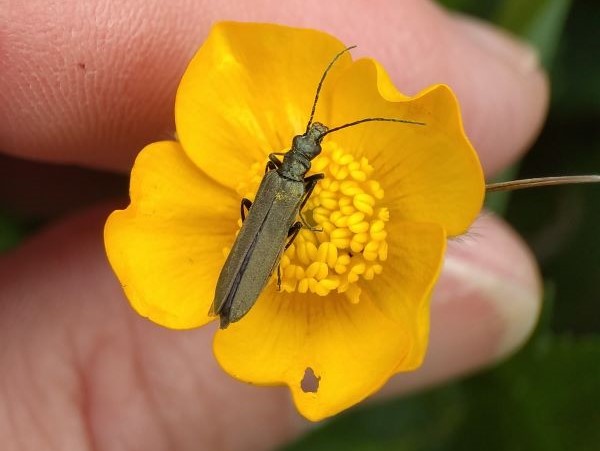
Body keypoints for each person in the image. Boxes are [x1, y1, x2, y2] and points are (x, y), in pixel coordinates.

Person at [0, 0, 547, 449]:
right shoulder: (282, 163)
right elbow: (235, 60)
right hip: (245, 263)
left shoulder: (292, 173)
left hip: (255, 250)